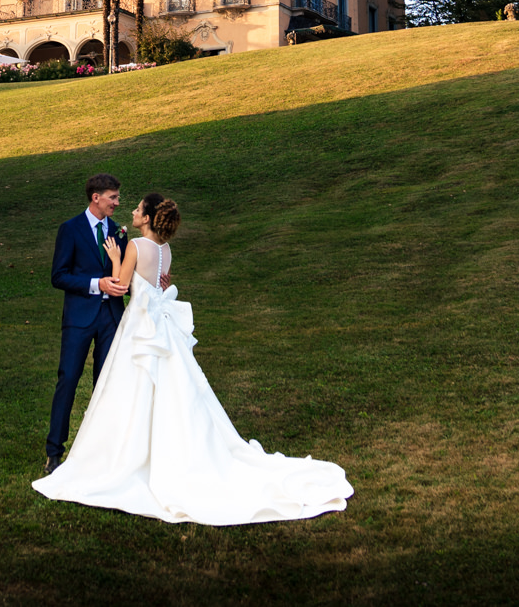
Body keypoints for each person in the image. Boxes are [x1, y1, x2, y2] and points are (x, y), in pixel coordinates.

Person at [32, 190, 352, 524]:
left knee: (133, 389)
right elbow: (156, 282)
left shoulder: (135, 246)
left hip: (140, 330)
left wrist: (114, 256)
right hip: (159, 328)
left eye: (138, 209)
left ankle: (124, 457)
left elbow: (124, 285)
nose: (132, 211)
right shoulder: (164, 250)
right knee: (170, 391)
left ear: (148, 216)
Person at [44, 172, 128, 475]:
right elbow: (59, 276)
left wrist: (148, 281)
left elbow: (124, 277)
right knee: (68, 379)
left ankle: (101, 453)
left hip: (111, 318)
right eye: (113, 197)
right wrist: (97, 284)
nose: (117, 203)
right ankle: (54, 453)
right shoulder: (70, 229)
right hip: (79, 318)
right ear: (96, 198)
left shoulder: (119, 232)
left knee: (106, 385)